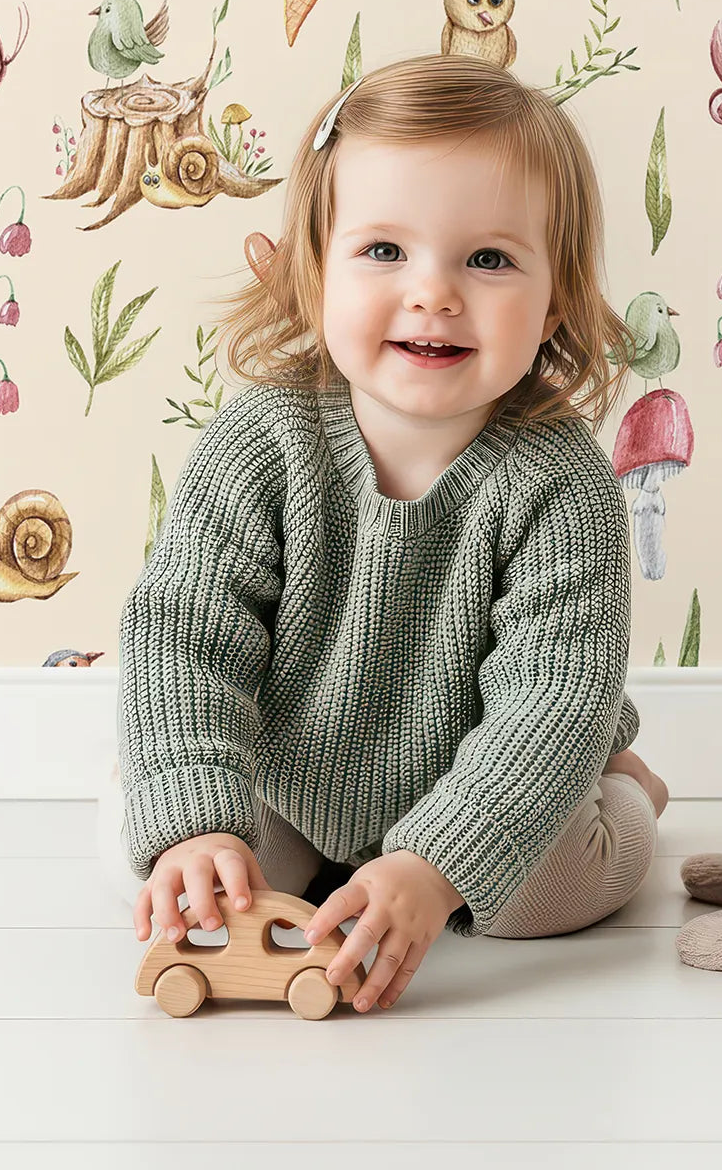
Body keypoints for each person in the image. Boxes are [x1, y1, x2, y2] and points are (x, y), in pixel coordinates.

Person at [100, 52, 669, 1015]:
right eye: (383, 251)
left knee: (549, 895)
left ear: (557, 296)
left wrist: (435, 863)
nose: (433, 294)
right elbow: (183, 639)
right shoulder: (260, 443)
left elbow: (552, 696)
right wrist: (199, 824)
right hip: (295, 771)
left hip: (482, 769)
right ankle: (279, 844)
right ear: (315, 265)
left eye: (487, 259)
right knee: (157, 853)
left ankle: (630, 796)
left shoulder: (559, 479)